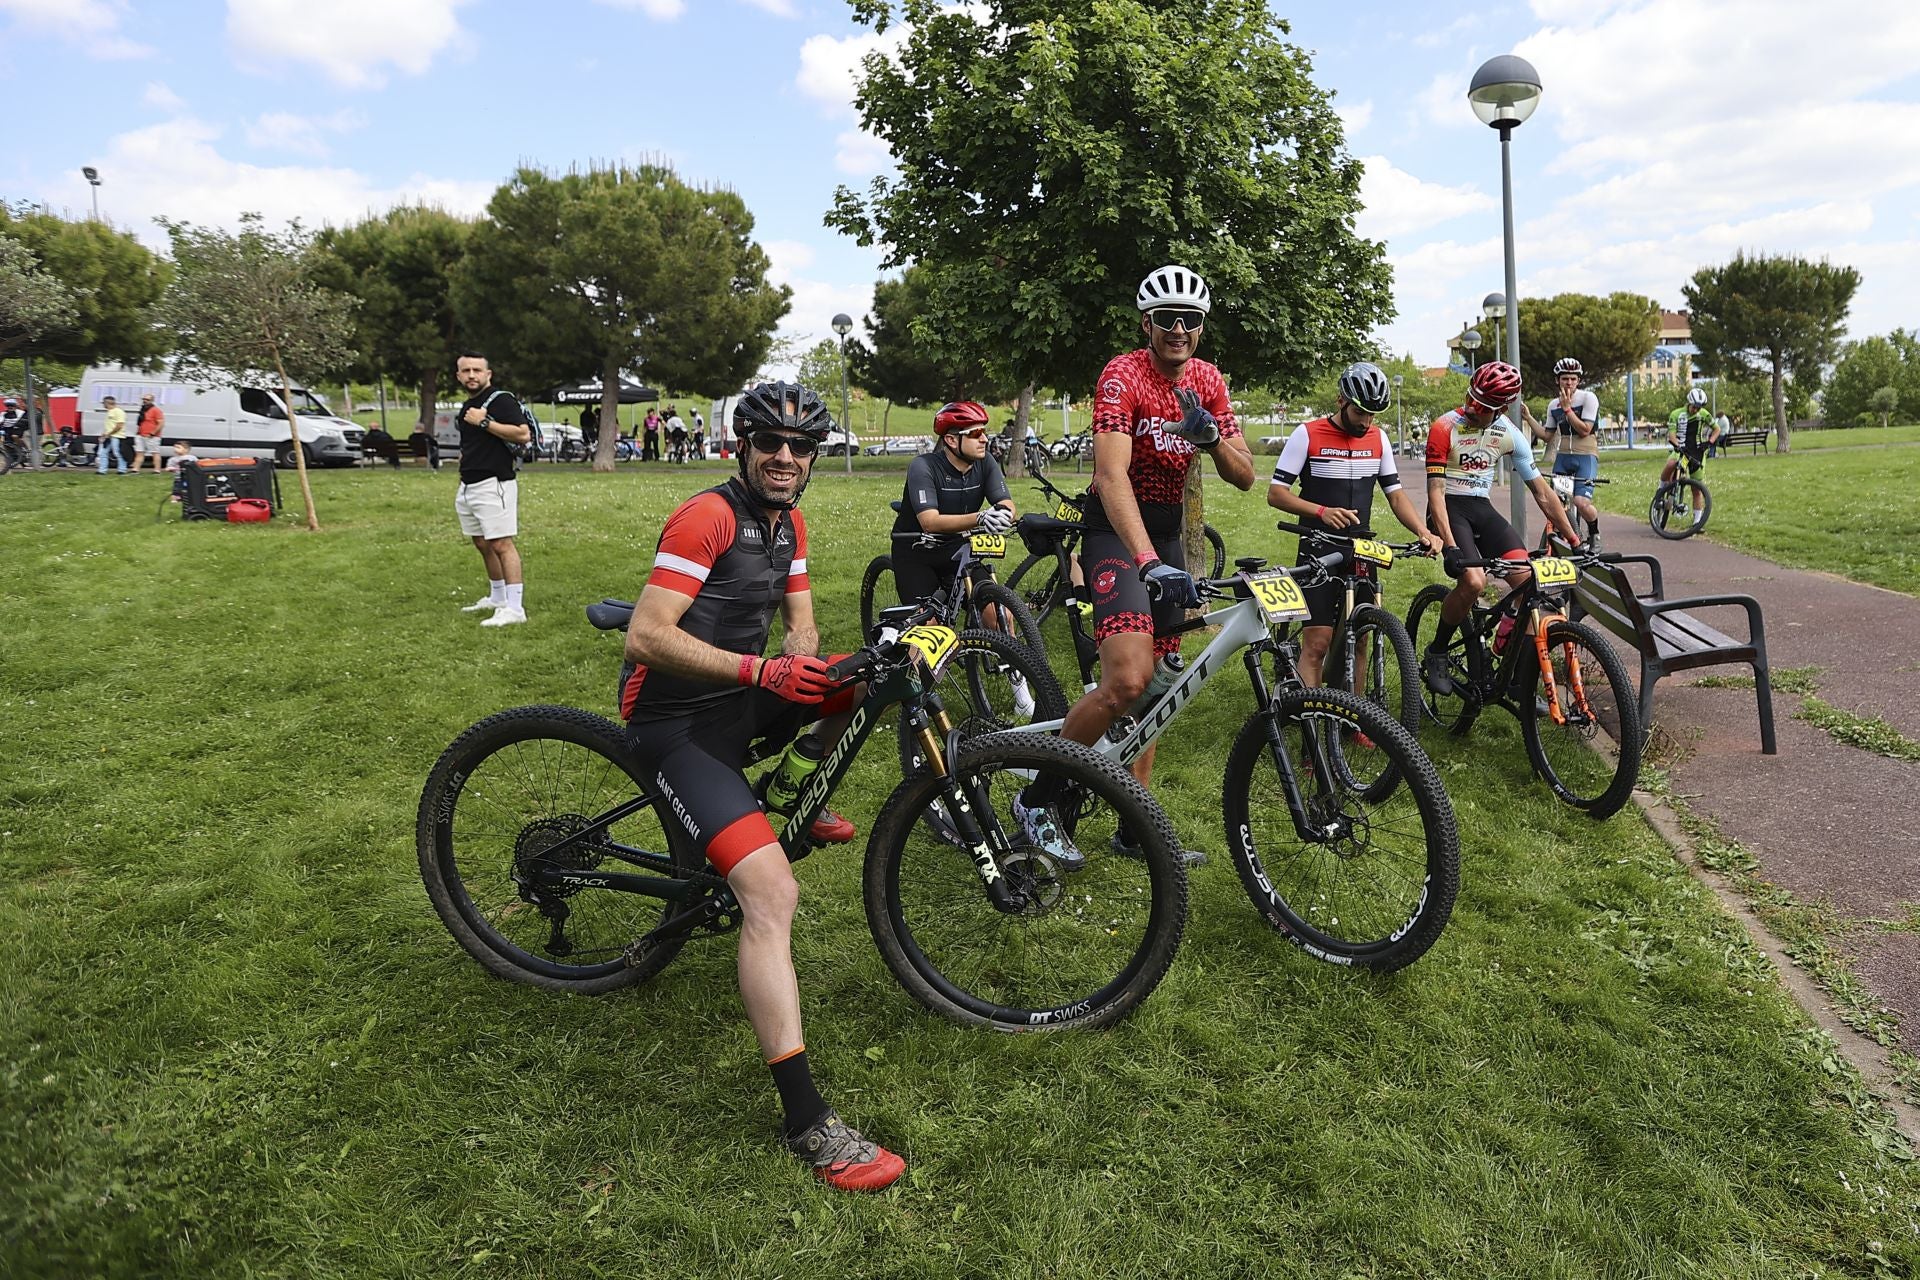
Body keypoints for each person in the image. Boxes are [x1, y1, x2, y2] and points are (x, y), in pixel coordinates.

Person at [620, 380, 905, 1193]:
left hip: (741, 698)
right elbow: (646, 637)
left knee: (851, 687)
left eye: (801, 447)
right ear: (742, 447)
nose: (786, 458)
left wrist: (805, 662)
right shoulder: (707, 516)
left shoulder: (790, 521)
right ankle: (808, 1121)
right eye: (771, 444)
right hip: (674, 724)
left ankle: (790, 801)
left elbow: (800, 617)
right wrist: (764, 670)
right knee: (771, 897)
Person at [1013, 264, 1256, 869]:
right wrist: (1145, 561)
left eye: (1190, 320)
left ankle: (1132, 821)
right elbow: (1109, 475)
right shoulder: (1124, 375)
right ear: (1147, 324)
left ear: (1200, 327)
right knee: (1124, 680)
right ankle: (1038, 801)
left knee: (1157, 686)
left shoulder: (1206, 378)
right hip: (1116, 532)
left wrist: (1211, 441)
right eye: (1166, 320)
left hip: (1168, 532)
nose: (1178, 329)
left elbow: (1245, 475)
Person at [1266, 361, 1443, 687]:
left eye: (1373, 414)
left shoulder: (1378, 438)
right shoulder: (1307, 434)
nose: (1366, 422)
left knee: (1361, 636)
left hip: (1361, 549)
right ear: (1341, 401)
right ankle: (1311, 723)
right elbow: (1276, 494)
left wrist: (1423, 530)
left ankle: (1358, 721)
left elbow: (1396, 496)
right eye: (1360, 412)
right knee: (1317, 643)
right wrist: (1321, 511)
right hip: (1318, 545)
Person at [1420, 361, 1582, 696]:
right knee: (1474, 582)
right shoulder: (1444, 426)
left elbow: (1542, 492)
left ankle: (1513, 678)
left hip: (1481, 509)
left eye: (1481, 410)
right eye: (1471, 401)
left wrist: (1574, 538)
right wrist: (1449, 546)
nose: (1471, 411)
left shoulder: (1508, 432)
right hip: (1448, 508)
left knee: (1530, 585)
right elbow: (1435, 491)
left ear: (1500, 409)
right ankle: (1437, 651)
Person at [450, 353, 533, 627]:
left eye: (477, 370)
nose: (471, 375)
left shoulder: (501, 400)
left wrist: (485, 422)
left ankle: (515, 608)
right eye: (466, 370)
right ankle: (497, 598)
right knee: (482, 542)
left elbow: (523, 434)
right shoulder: (468, 405)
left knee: (501, 544)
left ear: (488, 374)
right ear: (459, 375)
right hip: (469, 484)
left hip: (494, 483)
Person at [1546, 357, 1604, 550]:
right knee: (1557, 503)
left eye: (1573, 379)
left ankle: (1594, 534)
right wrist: (1527, 417)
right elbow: (1547, 435)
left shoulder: (1588, 398)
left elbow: (1585, 430)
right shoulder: (1553, 404)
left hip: (1585, 456)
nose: (1569, 382)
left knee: (1581, 502)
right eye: (1564, 379)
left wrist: (1568, 410)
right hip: (1563, 458)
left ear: (1578, 381)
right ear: (1558, 380)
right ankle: (1566, 538)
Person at [1663, 386, 1719, 520]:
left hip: (1697, 452)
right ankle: (1661, 488)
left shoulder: (1704, 414)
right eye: (1694, 407)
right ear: (1689, 402)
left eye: (1699, 408)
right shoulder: (1676, 414)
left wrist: (1710, 442)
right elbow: (1671, 436)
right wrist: (1678, 446)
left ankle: (1697, 521)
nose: (1696, 410)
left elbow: (1717, 429)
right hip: (1681, 449)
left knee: (1696, 489)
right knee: (1671, 463)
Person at [131, 393, 166, 475]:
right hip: (140, 434)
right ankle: (135, 469)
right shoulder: (143, 410)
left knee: (155, 452)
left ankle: (157, 470)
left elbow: (161, 423)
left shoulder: (156, 410)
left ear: (152, 401)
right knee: (139, 452)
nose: (145, 401)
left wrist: (152, 433)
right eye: (144, 399)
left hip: (151, 436)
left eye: (147, 399)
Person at [96, 395, 129, 475]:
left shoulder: (118, 411)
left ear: (107, 403)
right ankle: (102, 470)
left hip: (117, 436)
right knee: (103, 453)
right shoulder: (109, 412)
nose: (103, 405)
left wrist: (110, 434)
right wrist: (104, 434)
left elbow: (119, 425)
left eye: (103, 403)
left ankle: (122, 469)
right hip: (109, 436)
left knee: (117, 453)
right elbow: (109, 425)